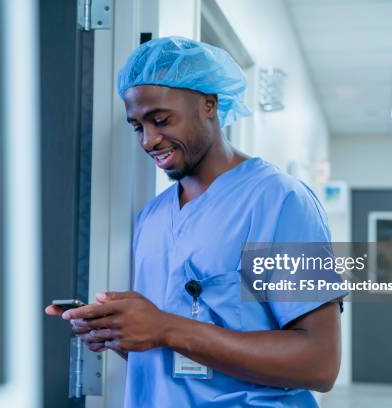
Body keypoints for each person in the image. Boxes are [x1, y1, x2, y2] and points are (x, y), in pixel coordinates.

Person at [46, 36, 344, 407]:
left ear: (209, 105)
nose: (148, 140)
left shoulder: (280, 201)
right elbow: (173, 352)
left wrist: (165, 328)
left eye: (160, 120)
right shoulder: (152, 218)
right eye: (137, 126)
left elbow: (320, 362)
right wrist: (124, 333)